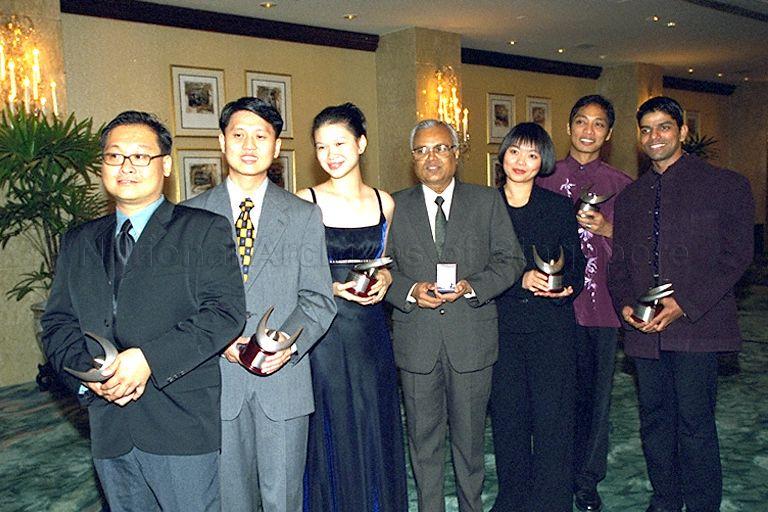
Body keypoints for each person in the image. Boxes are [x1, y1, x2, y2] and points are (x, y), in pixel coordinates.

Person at [41, 111, 246, 511]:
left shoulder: (202, 229)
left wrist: (149, 359)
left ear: (165, 165)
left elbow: (225, 312)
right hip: (108, 421)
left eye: (140, 156)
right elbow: (57, 323)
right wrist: (91, 377)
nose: (126, 167)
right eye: (115, 157)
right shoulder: (79, 240)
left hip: (179, 420)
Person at [185, 96, 336, 512]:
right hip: (215, 380)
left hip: (282, 379)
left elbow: (318, 300)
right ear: (221, 141)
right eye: (238, 135)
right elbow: (183, 302)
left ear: (275, 148)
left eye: (260, 136)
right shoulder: (190, 216)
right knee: (227, 499)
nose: (248, 145)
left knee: (283, 498)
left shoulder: (304, 215)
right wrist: (221, 340)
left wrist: (280, 344)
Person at [608, 96, 754, 512]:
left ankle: (703, 503)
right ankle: (666, 499)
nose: (655, 136)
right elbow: (618, 264)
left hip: (696, 325)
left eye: (664, 127)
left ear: (682, 132)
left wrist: (684, 304)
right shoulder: (631, 196)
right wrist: (624, 307)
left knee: (694, 423)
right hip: (644, 330)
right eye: (647, 129)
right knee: (654, 421)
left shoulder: (725, 185)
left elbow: (737, 255)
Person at [385, 119, 525, 512]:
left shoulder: (486, 201)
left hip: (471, 340)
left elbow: (510, 260)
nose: (431, 158)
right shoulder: (394, 205)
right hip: (417, 342)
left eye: (440, 148)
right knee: (423, 442)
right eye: (421, 150)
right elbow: (382, 268)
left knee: (469, 443)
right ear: (412, 158)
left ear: (456, 153)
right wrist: (410, 291)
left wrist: (472, 286)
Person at [296, 103, 407, 512]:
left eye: (339, 143)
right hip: (324, 331)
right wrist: (332, 288)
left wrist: (387, 279)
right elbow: (290, 276)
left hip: (371, 331)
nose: (331, 154)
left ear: (360, 143)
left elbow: (386, 260)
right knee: (332, 427)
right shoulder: (303, 202)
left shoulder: (385, 203)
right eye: (321, 146)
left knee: (374, 421)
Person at [537, 94, 632, 511]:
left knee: (596, 400)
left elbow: (640, 252)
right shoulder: (543, 177)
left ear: (608, 134)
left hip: (602, 310)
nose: (588, 130)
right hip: (551, 309)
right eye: (581, 121)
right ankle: (553, 474)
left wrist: (609, 228)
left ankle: (587, 480)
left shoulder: (623, 185)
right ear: (569, 126)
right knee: (552, 396)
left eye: (597, 124)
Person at [489, 122, 586, 512]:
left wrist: (566, 289)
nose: (521, 162)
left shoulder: (559, 207)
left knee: (553, 421)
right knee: (509, 421)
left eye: (532, 155)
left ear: (542, 161)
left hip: (551, 330)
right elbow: (478, 269)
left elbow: (575, 268)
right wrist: (519, 279)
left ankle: (552, 500)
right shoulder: (484, 205)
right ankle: (513, 498)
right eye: (515, 152)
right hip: (502, 330)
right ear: (503, 155)